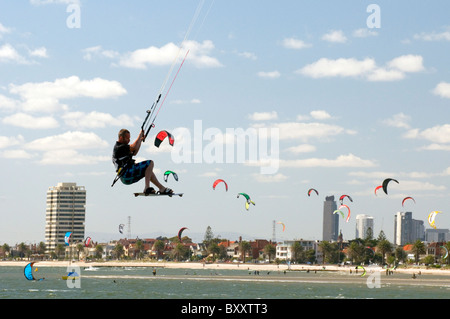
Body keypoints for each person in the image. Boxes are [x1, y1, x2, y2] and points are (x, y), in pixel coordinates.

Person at [112, 128, 173, 195]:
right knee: (150, 163)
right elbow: (134, 146)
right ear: (121, 138)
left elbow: (135, 152)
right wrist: (140, 135)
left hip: (126, 176)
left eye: (129, 138)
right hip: (126, 174)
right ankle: (147, 188)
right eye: (127, 138)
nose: (129, 140)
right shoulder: (119, 147)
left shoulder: (123, 147)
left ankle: (162, 188)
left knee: (148, 170)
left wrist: (140, 140)